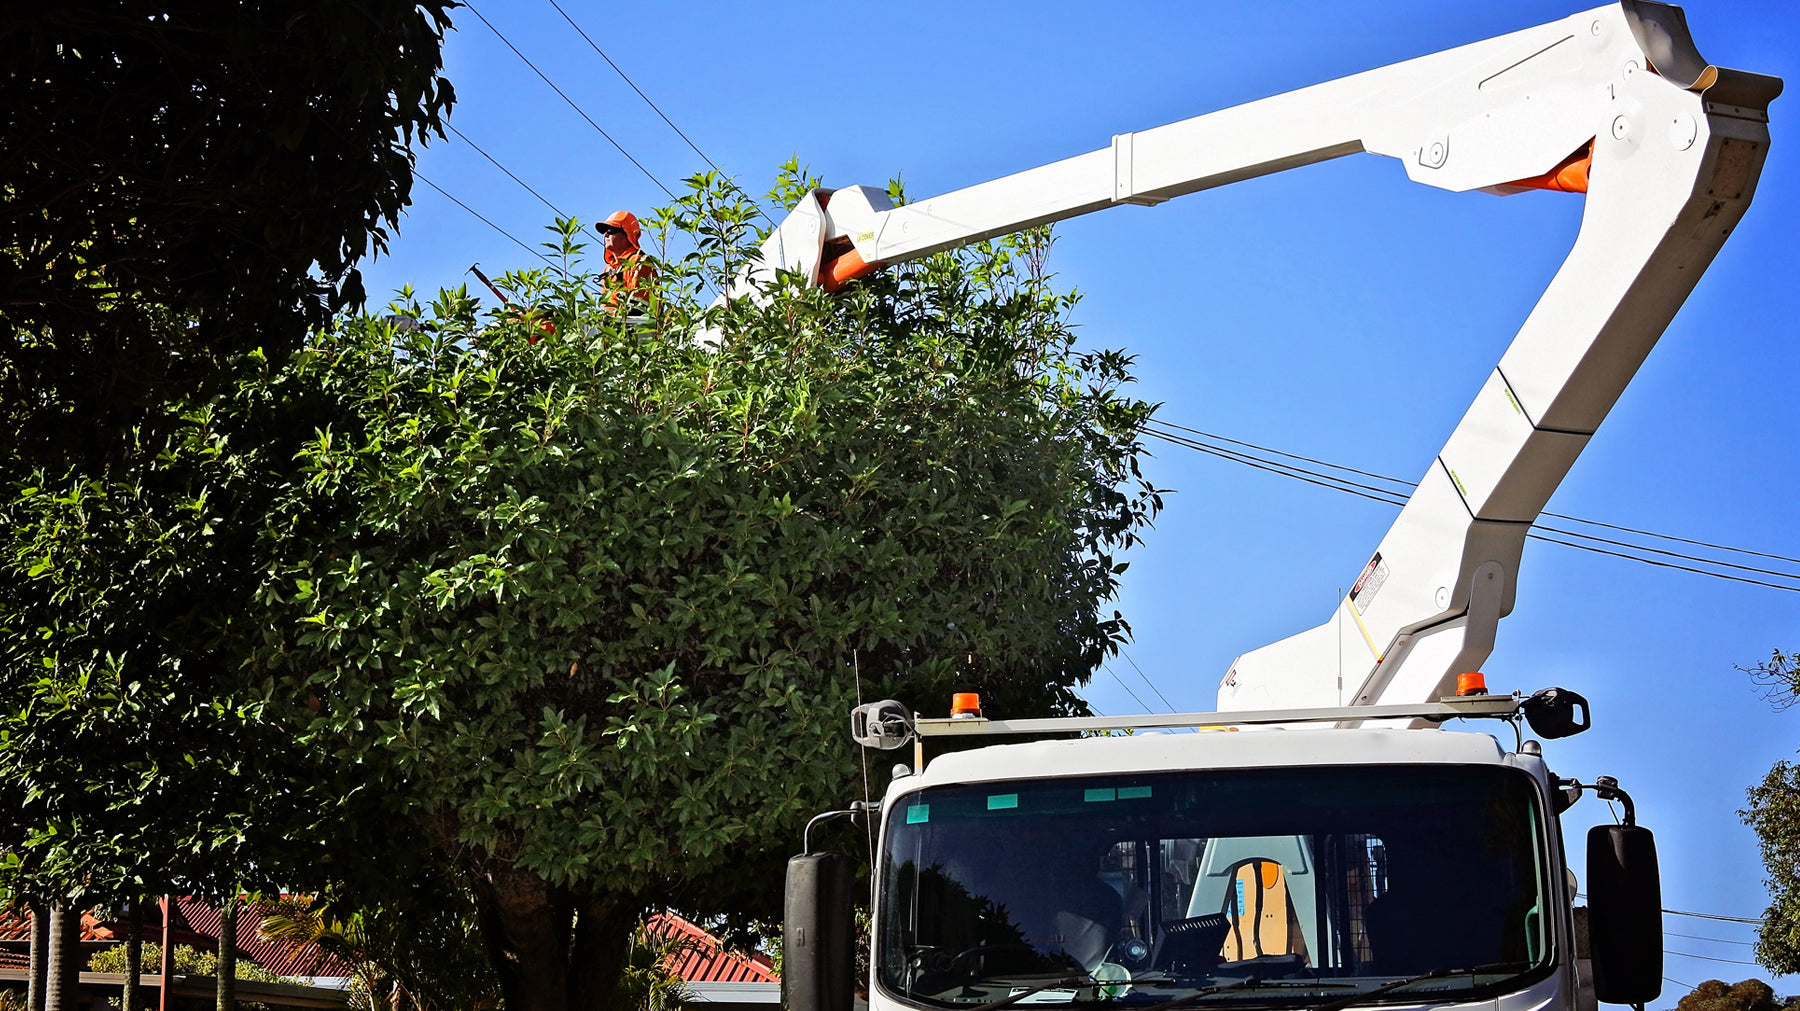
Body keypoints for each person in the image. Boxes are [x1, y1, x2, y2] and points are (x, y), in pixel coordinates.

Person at [595, 210, 656, 312]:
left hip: (640, 325)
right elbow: (608, 306)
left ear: (627, 235)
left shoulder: (639, 262)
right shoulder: (609, 268)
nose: (605, 235)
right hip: (617, 324)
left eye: (610, 230)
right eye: (604, 231)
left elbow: (639, 308)